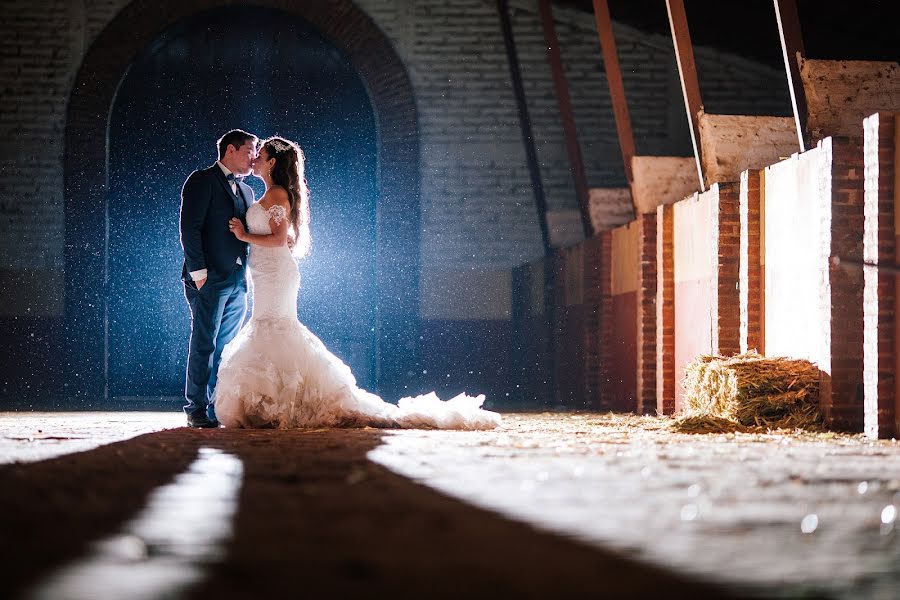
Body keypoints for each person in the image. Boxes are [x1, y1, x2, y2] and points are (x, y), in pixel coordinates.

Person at [214, 136, 500, 430]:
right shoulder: (268, 195)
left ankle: (285, 401)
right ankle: (271, 399)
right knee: (267, 326)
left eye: (260, 155)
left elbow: (275, 239)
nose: (255, 159)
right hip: (264, 272)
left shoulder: (276, 195)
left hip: (276, 274)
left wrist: (243, 235)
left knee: (275, 327)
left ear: (272, 162)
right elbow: (281, 236)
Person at [179, 129, 258, 428]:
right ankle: (195, 408)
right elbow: (190, 228)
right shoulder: (201, 180)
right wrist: (199, 274)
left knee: (226, 347)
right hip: (208, 278)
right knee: (204, 343)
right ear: (230, 150)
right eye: (250, 150)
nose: (254, 157)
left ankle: (214, 406)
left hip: (238, 280)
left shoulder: (248, 192)